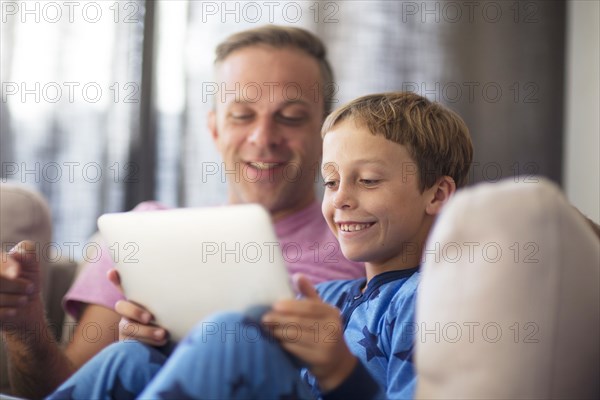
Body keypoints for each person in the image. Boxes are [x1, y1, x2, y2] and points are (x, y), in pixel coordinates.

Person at [0, 25, 365, 398]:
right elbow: (66, 387)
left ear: (326, 134)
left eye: (289, 117)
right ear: (214, 128)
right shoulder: (146, 232)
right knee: (129, 356)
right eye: (241, 115)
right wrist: (23, 327)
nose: (263, 137)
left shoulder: (366, 243)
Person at [46, 91, 474, 399]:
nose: (341, 197)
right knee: (132, 359)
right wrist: (164, 335)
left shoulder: (431, 300)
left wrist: (341, 372)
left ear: (436, 194)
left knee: (235, 330)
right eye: (330, 181)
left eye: (368, 180)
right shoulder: (325, 298)